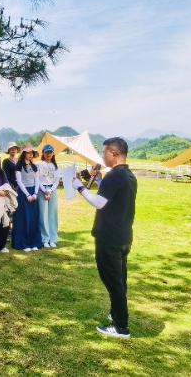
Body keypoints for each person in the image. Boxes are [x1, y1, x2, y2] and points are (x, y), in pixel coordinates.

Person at [72, 137, 137, 339]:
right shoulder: (128, 175)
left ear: (113, 154)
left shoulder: (114, 175)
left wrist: (79, 187)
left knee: (113, 281)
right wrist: (100, 180)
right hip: (123, 235)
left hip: (109, 237)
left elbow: (99, 202)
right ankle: (117, 313)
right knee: (119, 280)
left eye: (104, 152)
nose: (102, 156)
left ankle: (120, 326)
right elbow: (113, 198)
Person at [12, 143, 41, 251]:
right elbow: (19, 181)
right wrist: (27, 194)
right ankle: (23, 243)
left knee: (34, 218)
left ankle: (34, 242)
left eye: (31, 152)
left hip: (33, 192)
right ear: (24, 153)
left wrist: (35, 193)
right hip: (23, 193)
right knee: (23, 217)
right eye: (28, 152)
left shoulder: (34, 166)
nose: (30, 154)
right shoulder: (19, 165)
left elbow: (37, 180)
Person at [36, 144, 61, 249]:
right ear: (43, 153)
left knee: (52, 215)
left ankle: (53, 238)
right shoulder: (38, 164)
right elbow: (37, 179)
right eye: (46, 152)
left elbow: (57, 180)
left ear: (53, 153)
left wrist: (50, 190)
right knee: (43, 215)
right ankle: (45, 238)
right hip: (42, 190)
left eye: (50, 152)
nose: (48, 154)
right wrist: (44, 190)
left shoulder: (55, 165)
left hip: (52, 190)